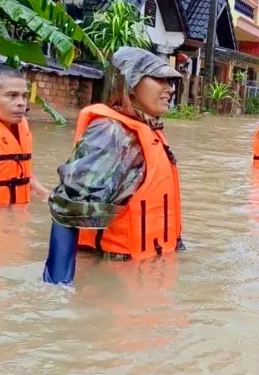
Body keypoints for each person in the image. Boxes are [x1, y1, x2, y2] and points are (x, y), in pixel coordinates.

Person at [43, 47, 185, 285]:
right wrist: (58, 287)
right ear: (129, 83)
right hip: (112, 278)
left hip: (144, 273)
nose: (169, 88)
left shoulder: (144, 131)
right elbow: (69, 210)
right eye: (159, 79)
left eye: (170, 81)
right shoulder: (112, 133)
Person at [0, 65, 49, 206]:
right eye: (12, 95)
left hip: (16, 215)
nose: (21, 103)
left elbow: (20, 171)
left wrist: (43, 192)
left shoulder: (19, 130)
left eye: (24, 96)